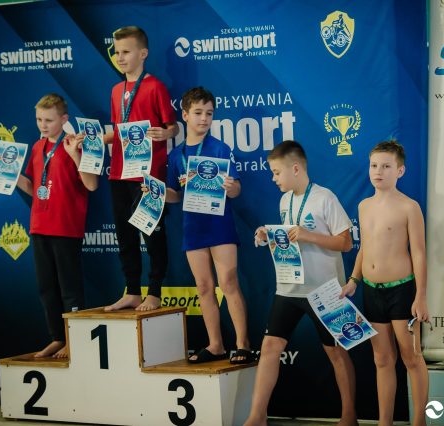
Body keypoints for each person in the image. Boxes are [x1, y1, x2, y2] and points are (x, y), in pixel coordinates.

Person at [245, 140, 357, 426]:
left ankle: (349, 416)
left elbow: (346, 243)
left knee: (336, 352)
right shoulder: (285, 201)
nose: (273, 178)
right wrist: (268, 235)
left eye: (276, 172)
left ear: (295, 168)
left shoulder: (325, 197)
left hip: (325, 290)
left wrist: (309, 235)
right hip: (289, 289)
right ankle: (257, 416)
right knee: (270, 348)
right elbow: (290, 239)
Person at [0, 93, 98, 358]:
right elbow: (33, 187)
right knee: (46, 287)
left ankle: (75, 339)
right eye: (39, 119)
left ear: (64, 119)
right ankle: (57, 338)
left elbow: (91, 185)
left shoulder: (75, 145)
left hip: (65, 227)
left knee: (69, 288)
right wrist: (7, 171)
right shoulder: (38, 147)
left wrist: (75, 156)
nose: (43, 125)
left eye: (49, 120)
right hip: (39, 226)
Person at [340, 140, 428, 426]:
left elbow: (419, 253)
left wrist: (421, 296)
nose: (378, 171)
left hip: (402, 292)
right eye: (374, 165)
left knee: (411, 357)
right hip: (372, 291)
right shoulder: (363, 206)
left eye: (386, 166)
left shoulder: (409, 207)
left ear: (400, 171)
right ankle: (384, 422)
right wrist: (354, 279)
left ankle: (419, 422)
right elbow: (364, 247)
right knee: (382, 359)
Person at [164, 86, 254, 364]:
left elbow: (236, 190)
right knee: (204, 287)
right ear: (185, 115)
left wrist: (230, 186)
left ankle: (243, 344)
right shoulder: (175, 156)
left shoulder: (220, 148)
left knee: (228, 283)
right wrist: (159, 193)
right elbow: (175, 195)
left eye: (209, 113)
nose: (204, 118)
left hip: (220, 226)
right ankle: (215, 345)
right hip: (193, 229)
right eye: (198, 113)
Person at [103, 26, 179, 312]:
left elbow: (173, 126)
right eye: (117, 52)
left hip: (148, 174)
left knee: (152, 233)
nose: (120, 57)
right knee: (125, 235)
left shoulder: (155, 86)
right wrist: (94, 140)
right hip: (119, 172)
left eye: (126, 52)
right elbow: (118, 131)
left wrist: (167, 133)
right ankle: (132, 290)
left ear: (143, 53)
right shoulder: (116, 90)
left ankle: (155, 291)